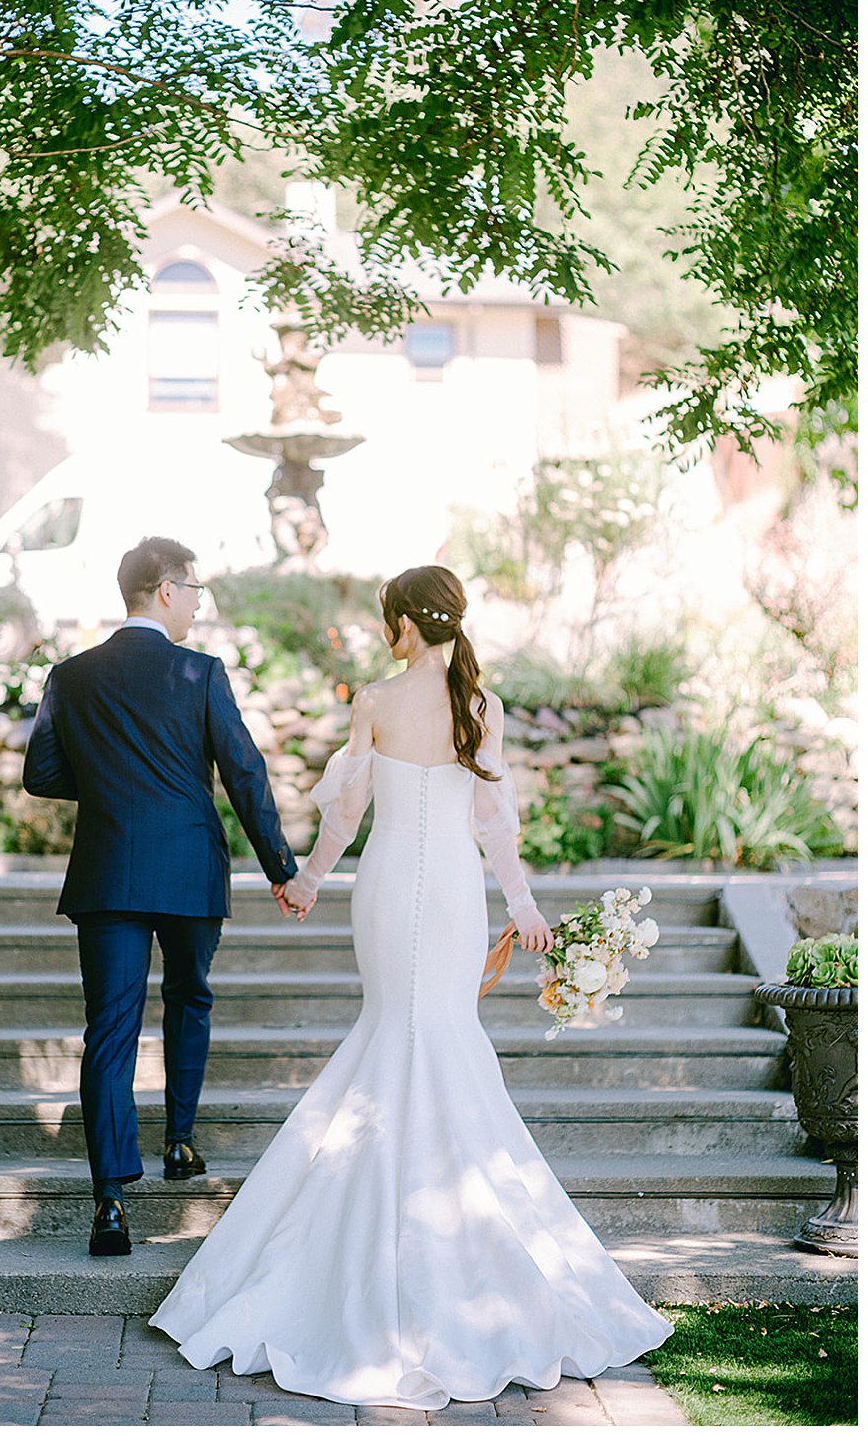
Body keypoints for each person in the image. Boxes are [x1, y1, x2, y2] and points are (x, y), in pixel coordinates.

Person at [150, 565, 672, 1408]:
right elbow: (494, 828)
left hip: (394, 885)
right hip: (450, 889)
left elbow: (345, 815)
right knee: (414, 1029)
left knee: (415, 1031)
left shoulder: (382, 701)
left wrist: (311, 879)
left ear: (402, 624)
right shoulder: (478, 705)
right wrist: (525, 904)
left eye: (387, 617)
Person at [22, 536, 297, 1257]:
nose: (199, 603)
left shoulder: (72, 674)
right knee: (189, 997)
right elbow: (245, 772)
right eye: (196, 590)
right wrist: (281, 865)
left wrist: (114, 785)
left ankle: (110, 1201)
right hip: (187, 867)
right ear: (167, 589)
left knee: (108, 1030)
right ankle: (178, 1141)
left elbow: (42, 773)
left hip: (109, 867)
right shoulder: (199, 672)